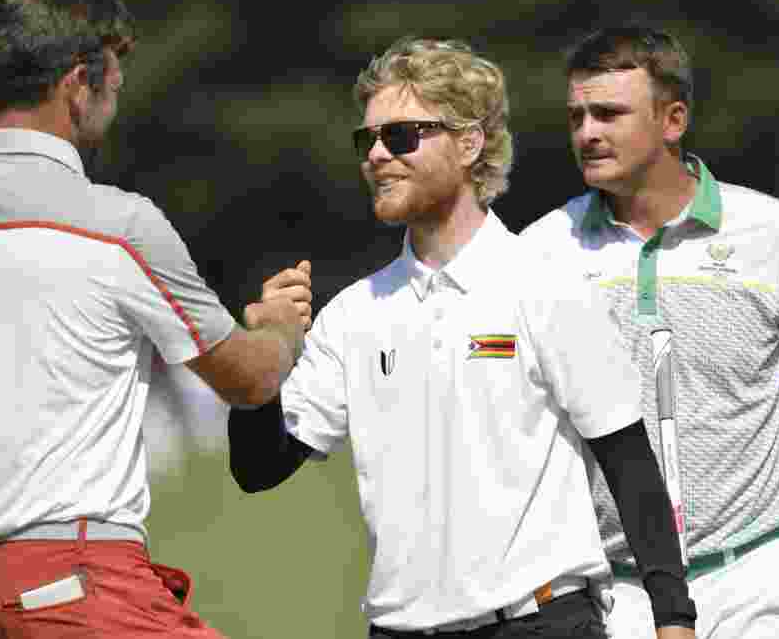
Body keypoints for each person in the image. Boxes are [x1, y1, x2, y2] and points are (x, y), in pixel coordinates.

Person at [229, 36, 696, 638]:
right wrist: (263, 354)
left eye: (400, 136)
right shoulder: (353, 315)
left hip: (541, 623)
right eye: (365, 139)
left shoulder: (546, 284)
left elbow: (628, 461)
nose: (375, 154)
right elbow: (259, 467)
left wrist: (674, 619)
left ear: (470, 142)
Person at [0, 0, 307, 638]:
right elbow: (249, 378)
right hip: (80, 584)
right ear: (76, 84)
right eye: (113, 85)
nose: (115, 103)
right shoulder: (118, 225)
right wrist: (281, 331)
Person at [521, 24, 779, 639]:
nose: (587, 133)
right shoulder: (541, 251)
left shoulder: (775, 234)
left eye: (608, 113)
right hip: (613, 592)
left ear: (672, 120)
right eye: (576, 117)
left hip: (756, 576)